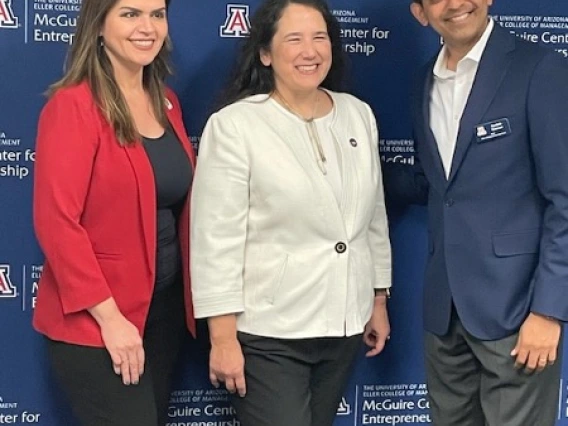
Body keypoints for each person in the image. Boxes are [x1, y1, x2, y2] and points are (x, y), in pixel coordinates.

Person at [189, 1, 392, 425]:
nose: (310, 51)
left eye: (319, 38)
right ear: (265, 53)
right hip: (270, 332)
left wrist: (376, 298)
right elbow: (215, 239)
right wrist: (222, 337)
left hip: (344, 324)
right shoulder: (235, 126)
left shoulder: (358, 115)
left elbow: (372, 216)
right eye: (294, 39)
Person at [384, 1, 568, 425]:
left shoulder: (538, 69)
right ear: (420, 12)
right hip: (444, 313)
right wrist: (352, 172)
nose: (455, 3)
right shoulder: (423, 82)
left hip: (518, 312)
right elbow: (437, 184)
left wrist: (548, 312)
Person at [32, 0, 196, 425]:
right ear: (99, 26)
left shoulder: (167, 104)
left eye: (157, 14)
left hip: (162, 316)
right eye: (130, 14)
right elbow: (57, 223)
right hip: (98, 323)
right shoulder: (73, 106)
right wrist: (110, 319)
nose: (147, 27)